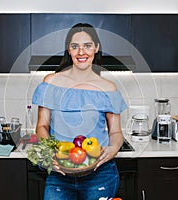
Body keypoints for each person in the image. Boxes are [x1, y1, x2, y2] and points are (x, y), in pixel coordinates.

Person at [32, 23, 127, 200]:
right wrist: (50, 153)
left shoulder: (108, 88)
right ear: (68, 50)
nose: (81, 52)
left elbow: (115, 132)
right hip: (60, 174)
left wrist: (113, 148)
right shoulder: (51, 82)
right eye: (75, 46)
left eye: (87, 46)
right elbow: (42, 126)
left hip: (100, 174)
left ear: (96, 48)